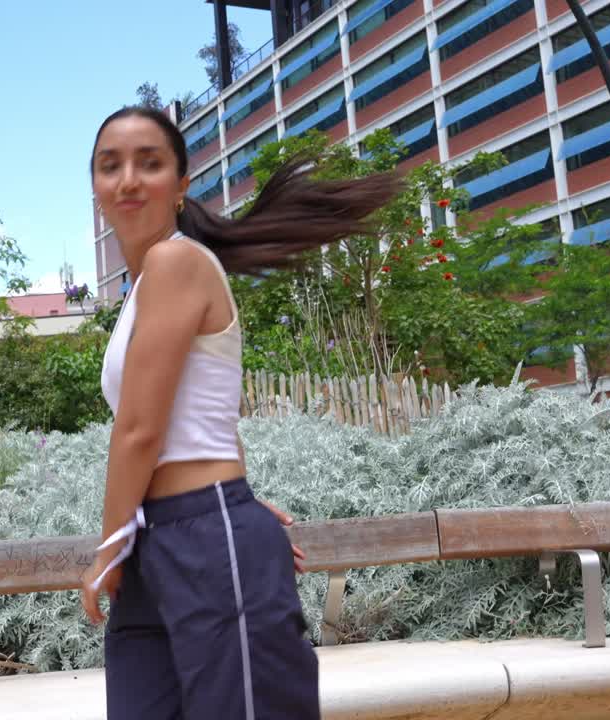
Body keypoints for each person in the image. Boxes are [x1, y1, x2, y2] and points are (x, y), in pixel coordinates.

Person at [81, 105, 401, 720]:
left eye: (149, 164)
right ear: (95, 187)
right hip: (168, 538)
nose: (127, 180)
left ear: (180, 187)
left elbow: (140, 431)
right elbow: (206, 407)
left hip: (202, 537)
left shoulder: (176, 263)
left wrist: (109, 544)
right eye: (109, 165)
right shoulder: (142, 287)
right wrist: (236, 498)